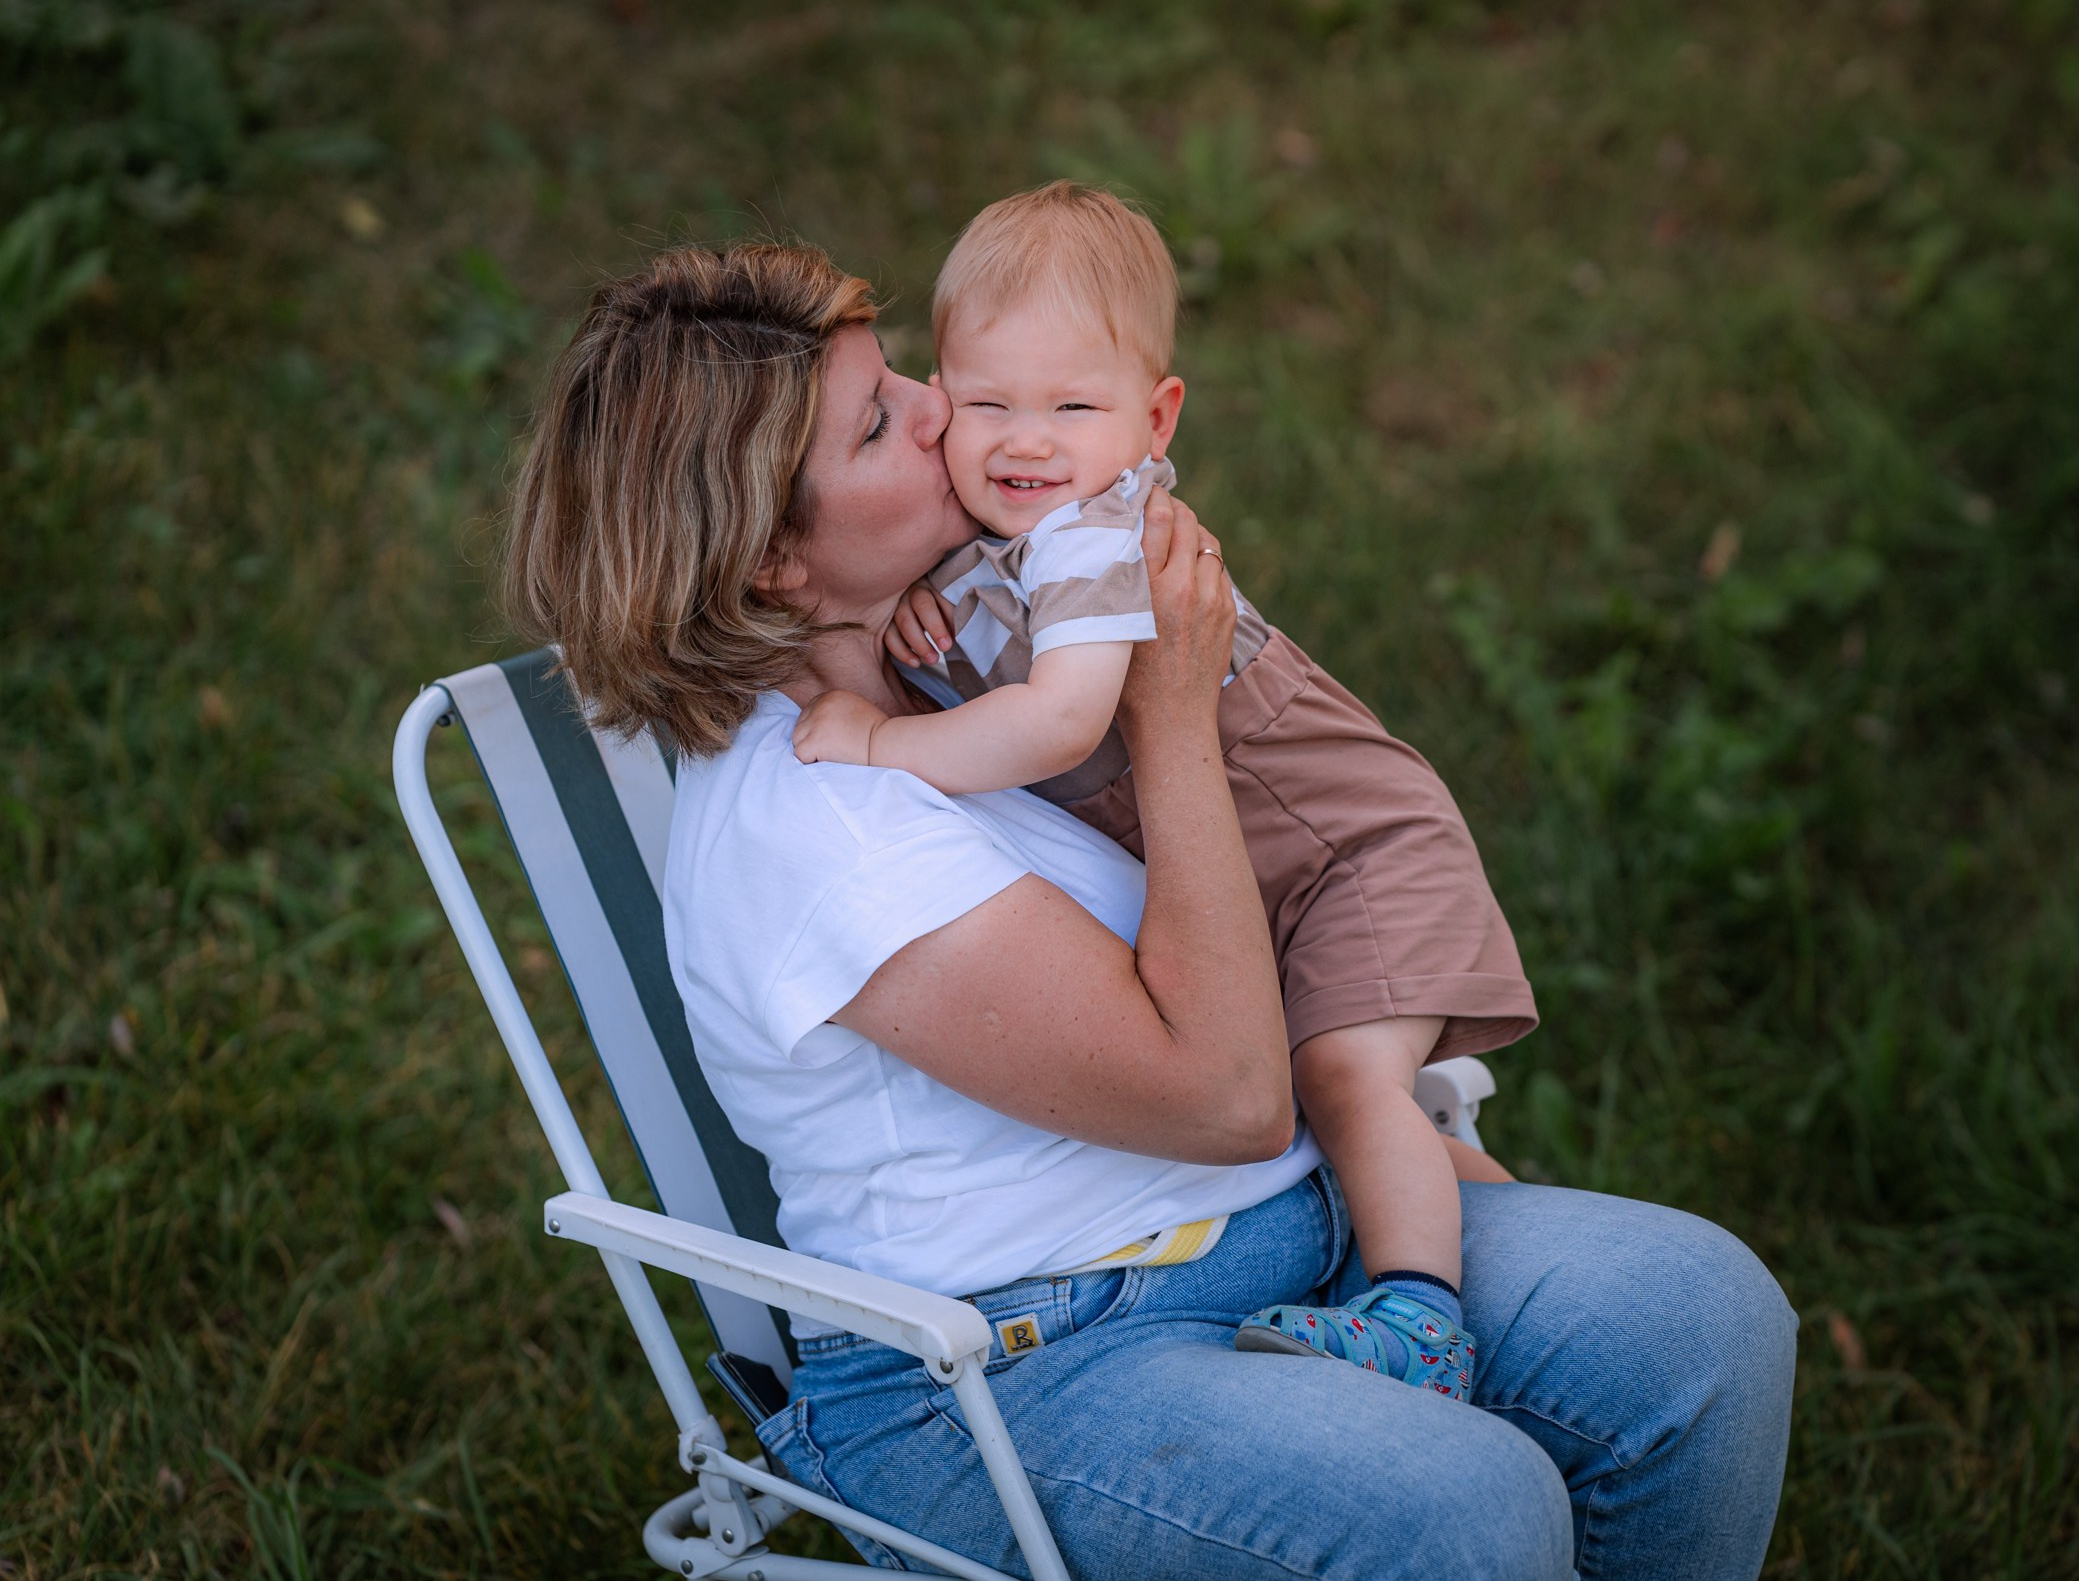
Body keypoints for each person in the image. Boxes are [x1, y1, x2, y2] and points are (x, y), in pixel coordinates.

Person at [505, 240, 1797, 1580]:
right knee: (1458, 1508)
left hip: (1280, 1226)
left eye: (897, 372)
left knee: (1698, 1316)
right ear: (773, 560)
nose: (943, 403)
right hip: (1020, 1365)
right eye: (883, 418)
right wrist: (1171, 704)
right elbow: (1225, 1094)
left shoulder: (960, 672)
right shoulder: (820, 827)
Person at [790, 181, 1536, 1398]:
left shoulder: (1093, 541)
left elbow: (1059, 720)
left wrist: (880, 744)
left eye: (1072, 407)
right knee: (1337, 1102)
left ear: (1155, 416)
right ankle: (1556, 1253)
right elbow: (972, 592)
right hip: (1258, 866)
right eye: (986, 404)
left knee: (1346, 1081)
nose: (1024, 442)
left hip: (1345, 848)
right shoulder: (1009, 526)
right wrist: (925, 592)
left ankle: (1420, 1318)